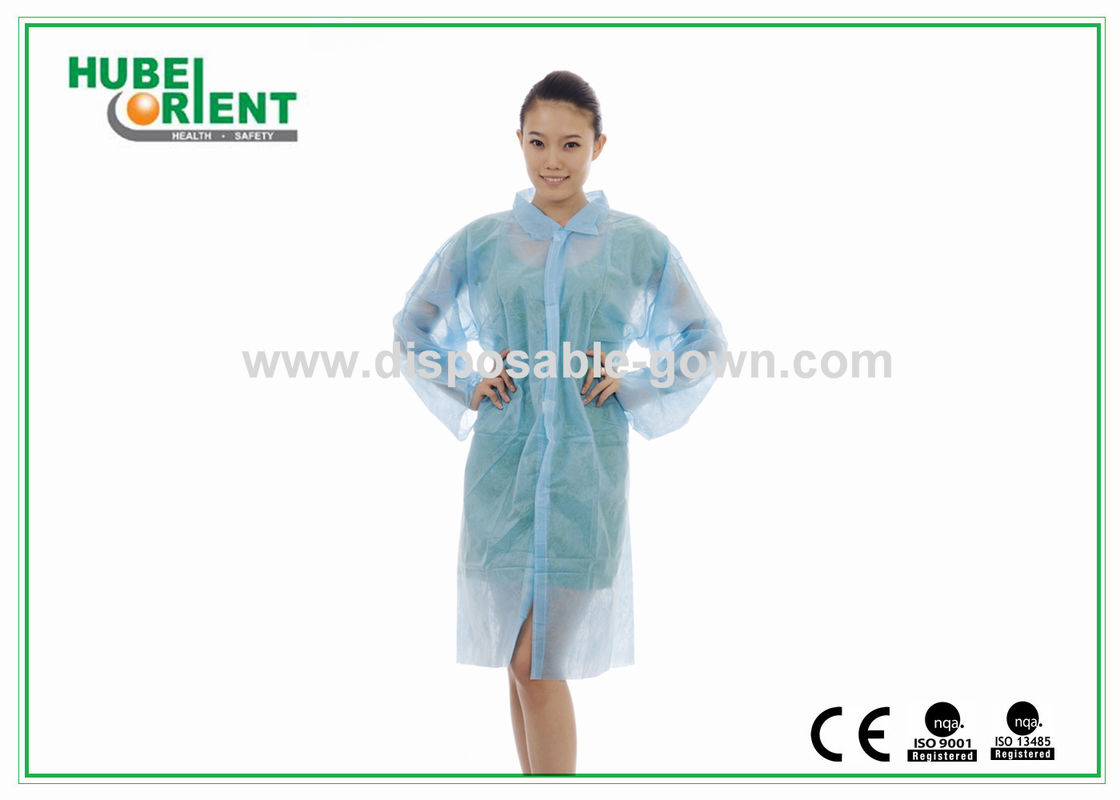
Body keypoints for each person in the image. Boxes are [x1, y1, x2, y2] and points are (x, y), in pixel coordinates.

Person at [391, 70, 727, 774]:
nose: (553, 160)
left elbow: (705, 341)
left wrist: (635, 382)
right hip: (501, 472)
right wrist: (468, 382)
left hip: (585, 475)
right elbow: (412, 327)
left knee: (536, 662)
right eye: (538, 142)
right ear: (517, 140)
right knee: (521, 666)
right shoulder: (482, 241)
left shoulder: (637, 244)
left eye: (571, 144)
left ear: (598, 146)